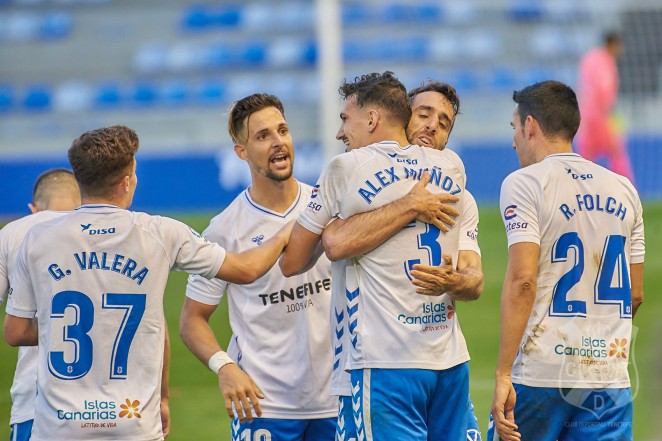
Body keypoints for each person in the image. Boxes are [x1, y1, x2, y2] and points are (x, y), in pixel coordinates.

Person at [3, 125, 293, 441]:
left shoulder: (38, 240)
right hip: (133, 422)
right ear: (127, 181)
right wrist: (288, 229)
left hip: (59, 426)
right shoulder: (160, 233)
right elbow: (247, 269)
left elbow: (16, 332)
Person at [281, 71, 471, 440]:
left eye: (344, 119)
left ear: (371, 119)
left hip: (383, 362)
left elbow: (293, 261)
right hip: (447, 360)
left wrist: (334, 225)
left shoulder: (346, 168)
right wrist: (408, 205)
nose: (340, 132)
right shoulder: (452, 167)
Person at [490, 80, 644, 441]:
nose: (514, 140)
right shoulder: (624, 189)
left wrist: (502, 375)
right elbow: (635, 294)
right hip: (607, 379)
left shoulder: (525, 183)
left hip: (540, 374)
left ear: (530, 126)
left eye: (514, 128)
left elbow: (523, 280)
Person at [180, 93, 337, 440]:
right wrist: (225, 367)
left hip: (338, 400)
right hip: (265, 406)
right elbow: (192, 319)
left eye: (283, 130)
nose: (278, 142)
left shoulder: (329, 206)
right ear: (241, 152)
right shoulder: (224, 229)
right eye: (263, 136)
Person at [0, 169, 81, 441]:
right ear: (81, 202)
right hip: (103, 403)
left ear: (34, 208)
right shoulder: (106, 231)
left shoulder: (12, 234)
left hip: (34, 399)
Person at [577, 31, 635, 183]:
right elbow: (604, 90)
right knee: (617, 152)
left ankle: (580, 192)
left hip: (586, 115)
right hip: (602, 116)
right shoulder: (606, 62)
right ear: (613, 45)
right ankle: (627, 191)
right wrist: (612, 116)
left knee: (585, 158)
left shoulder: (589, 58)